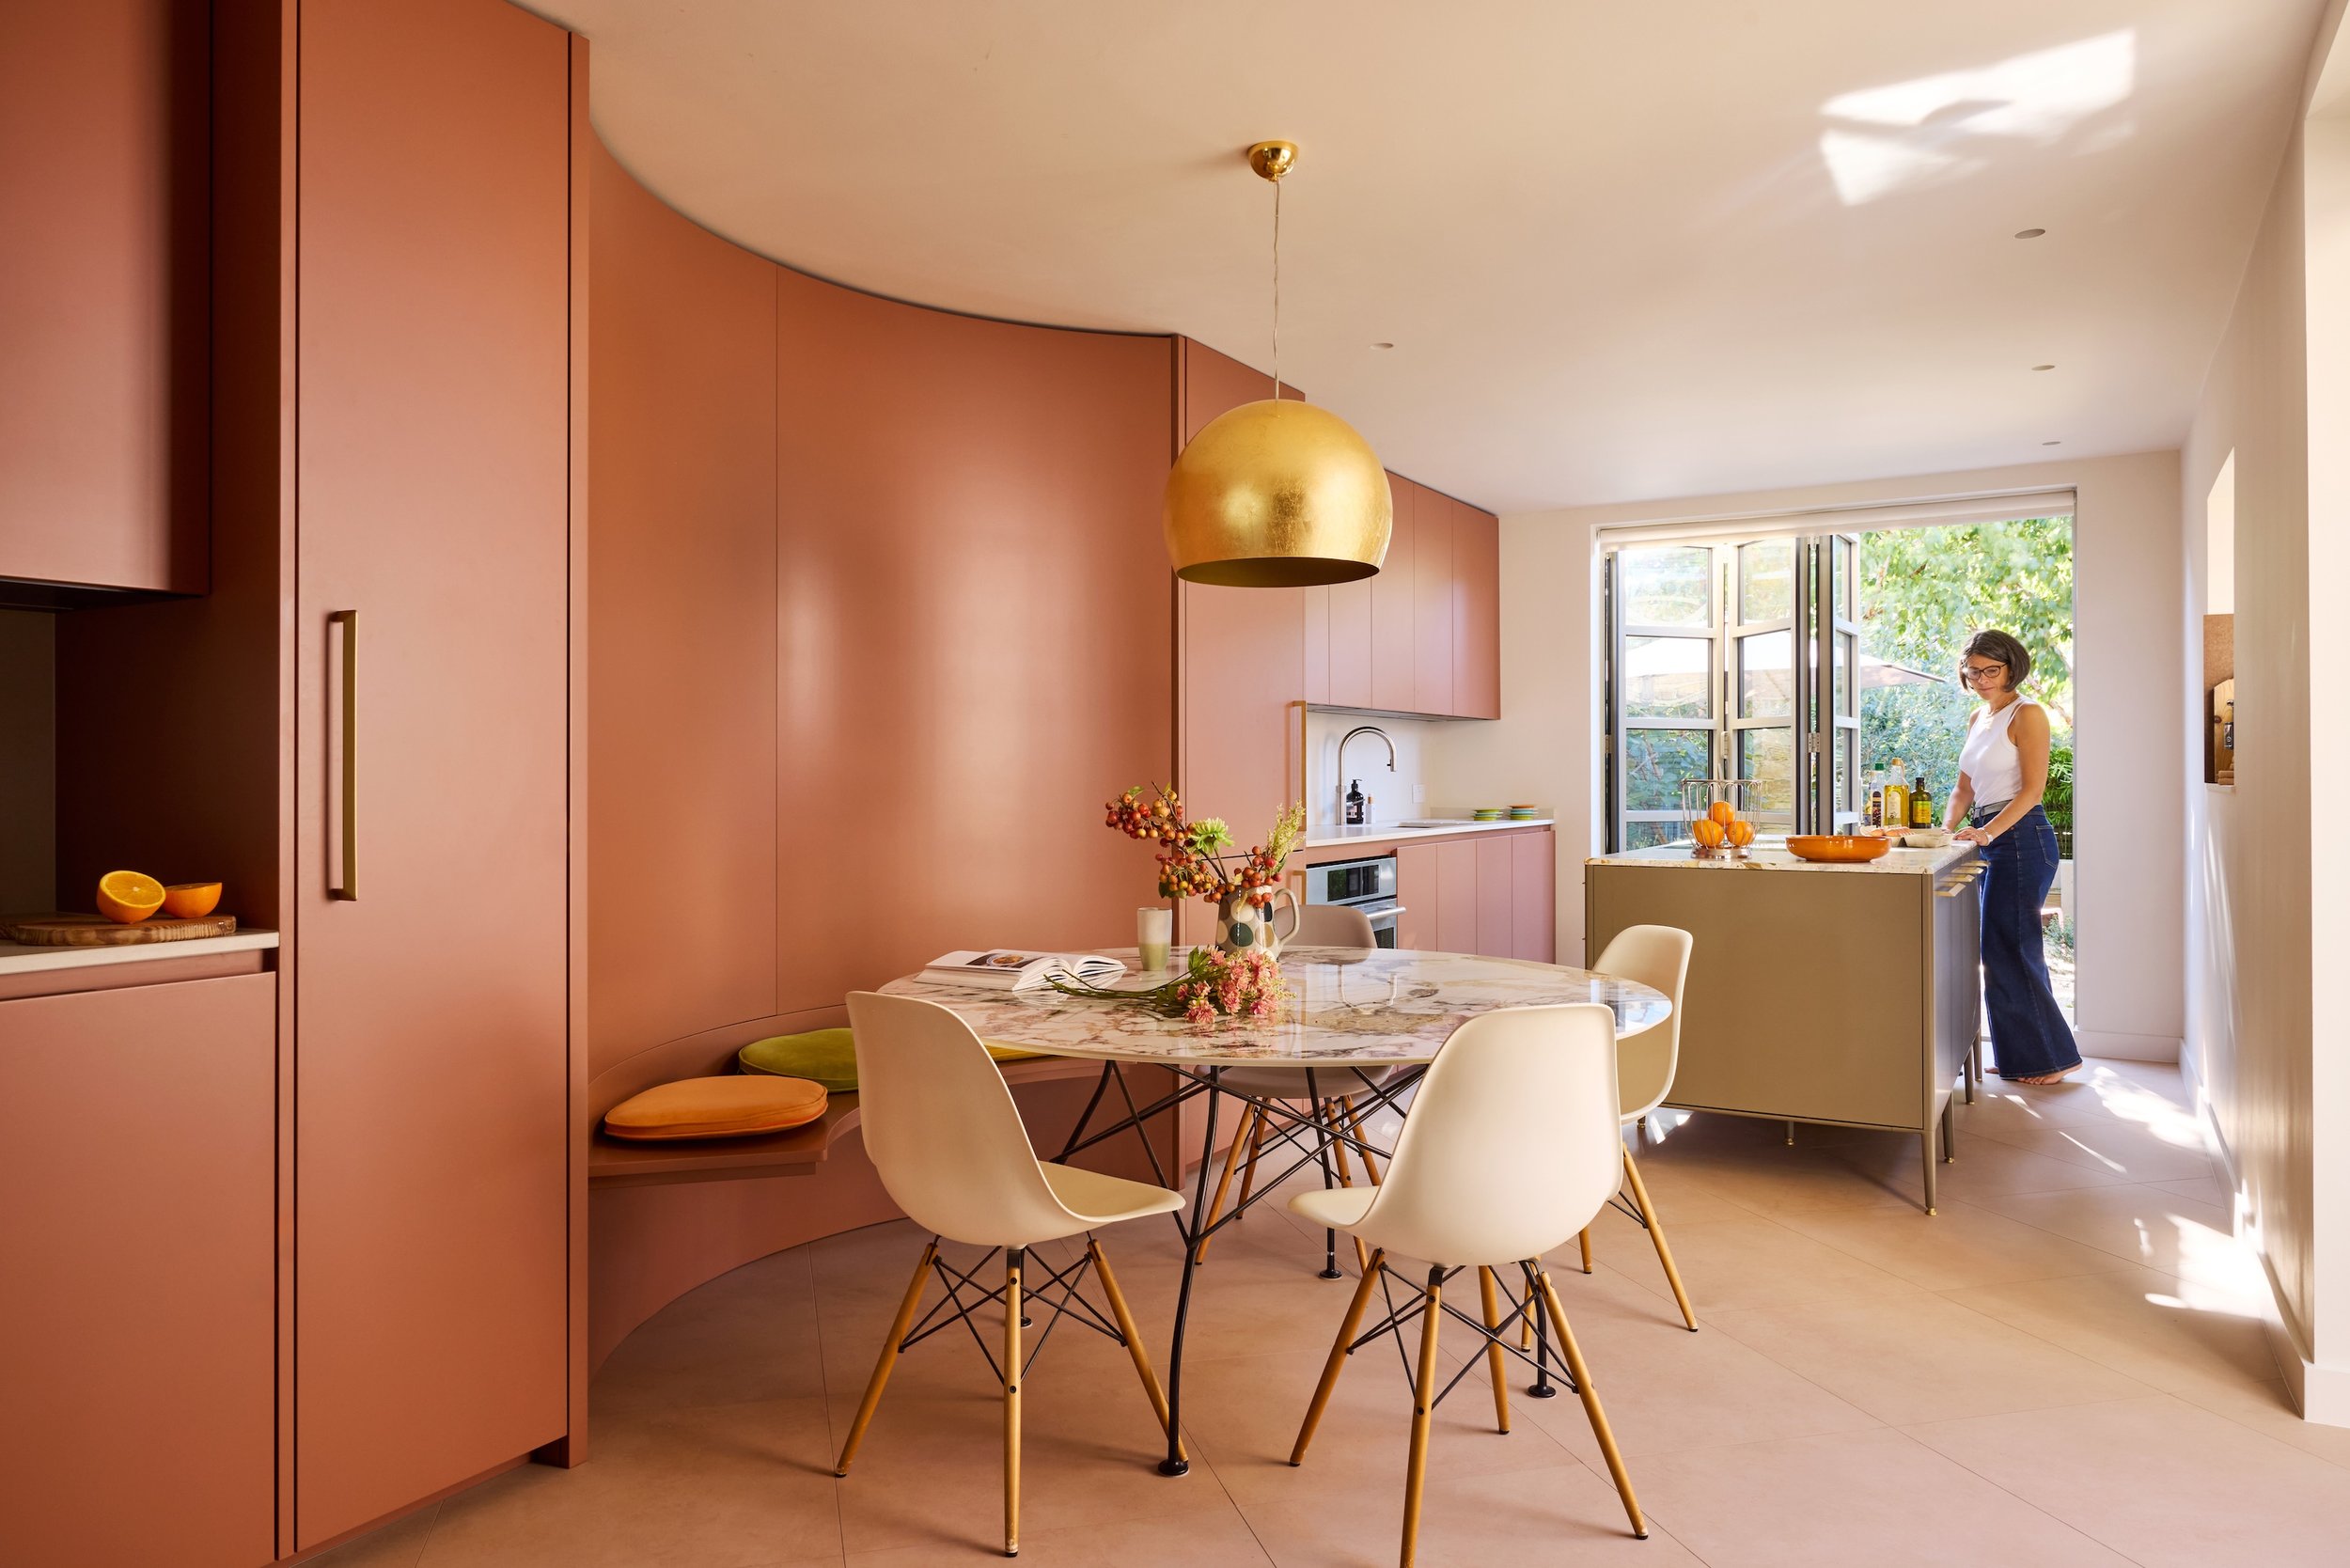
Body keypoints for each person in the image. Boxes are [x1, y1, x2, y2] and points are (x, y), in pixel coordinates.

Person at [1946, 629, 2080, 1084]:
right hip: (1990, 836)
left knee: (2014, 948)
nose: (1982, 679)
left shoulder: (2028, 714)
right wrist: (1946, 831)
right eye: (1973, 672)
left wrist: (1987, 832)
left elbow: (2032, 791)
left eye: (1991, 670)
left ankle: (2053, 1060)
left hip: (2021, 837)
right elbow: (1963, 788)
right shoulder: (1978, 718)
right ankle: (2021, 1055)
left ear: (2011, 667)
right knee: (1997, 949)